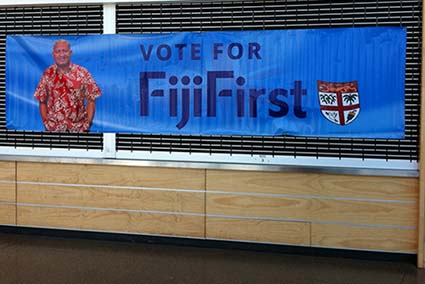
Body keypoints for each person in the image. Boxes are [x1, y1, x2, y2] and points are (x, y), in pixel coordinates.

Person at [34, 39, 102, 132]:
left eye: (64, 51)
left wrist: (87, 125)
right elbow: (42, 100)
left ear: (70, 53)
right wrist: (46, 123)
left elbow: (91, 100)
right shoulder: (47, 73)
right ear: (53, 54)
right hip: (53, 130)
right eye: (58, 51)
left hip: (78, 129)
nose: (62, 55)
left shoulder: (83, 73)